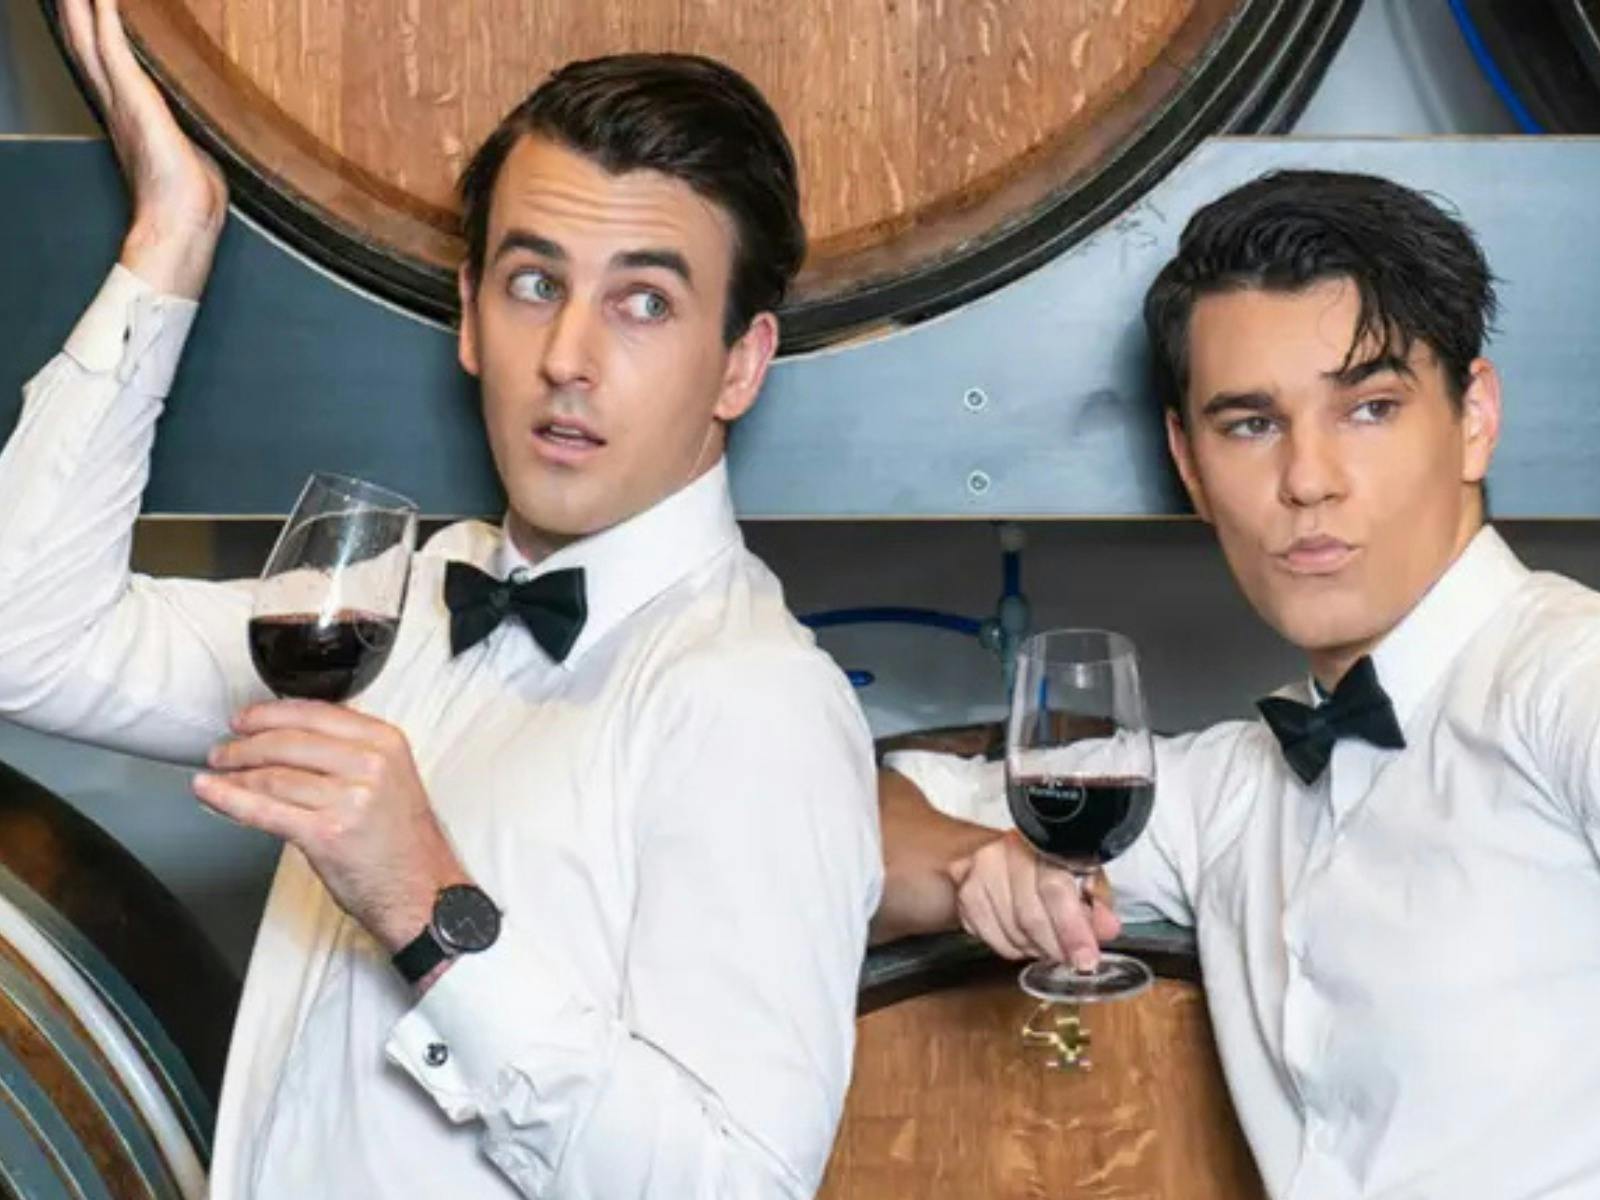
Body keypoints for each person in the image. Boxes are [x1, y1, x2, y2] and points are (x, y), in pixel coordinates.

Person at [0, 2, 880, 1196]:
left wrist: (428, 906)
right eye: (534, 283)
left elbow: (736, 1186)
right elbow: (24, 636)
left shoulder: (754, 699)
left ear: (741, 362)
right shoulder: (391, 602)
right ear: (470, 316)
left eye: (644, 302)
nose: (566, 356)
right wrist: (172, 233)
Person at [876, 169, 1600, 1198]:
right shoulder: (1227, 792)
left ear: (1474, 417)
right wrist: (971, 864)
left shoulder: (1571, 680)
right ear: (1188, 459)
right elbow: (846, 818)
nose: (1307, 480)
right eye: (1251, 425)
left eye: (1369, 409)